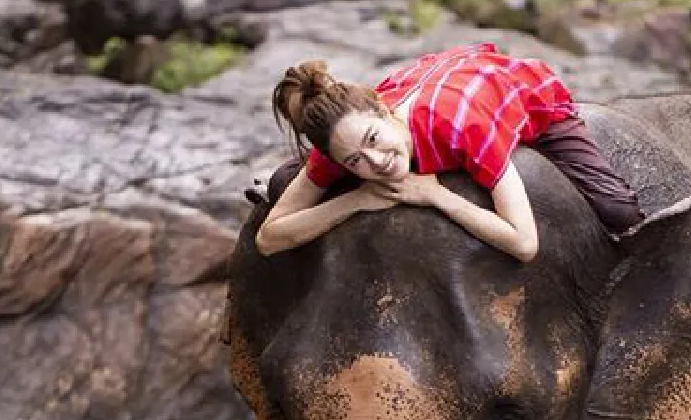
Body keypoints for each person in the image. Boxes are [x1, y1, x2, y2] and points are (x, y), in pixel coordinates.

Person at [256, 42, 644, 261]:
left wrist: (435, 196)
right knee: (283, 181)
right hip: (423, 84)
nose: (376, 162)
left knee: (618, 212)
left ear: (383, 111)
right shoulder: (344, 139)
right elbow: (269, 238)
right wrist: (355, 201)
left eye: (374, 140)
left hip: (509, 90)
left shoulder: (464, 127)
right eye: (355, 161)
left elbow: (525, 244)